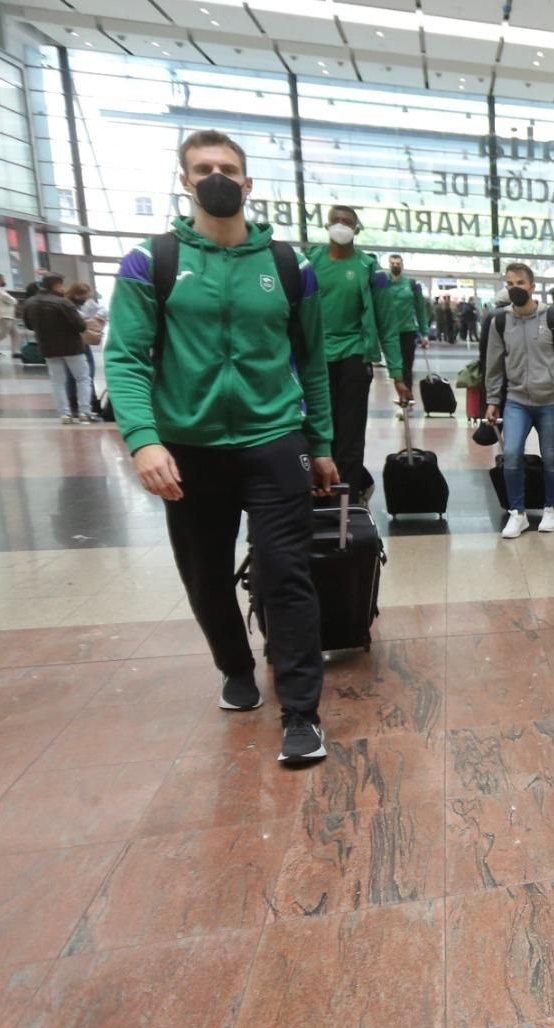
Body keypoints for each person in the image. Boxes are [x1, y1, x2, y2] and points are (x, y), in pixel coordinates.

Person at [105, 128, 336, 765]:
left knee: (284, 573)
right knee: (206, 575)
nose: (217, 177)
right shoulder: (153, 262)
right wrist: (143, 439)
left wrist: (319, 441)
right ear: (185, 181)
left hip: (273, 440)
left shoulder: (291, 266)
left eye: (228, 168)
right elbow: (124, 358)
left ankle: (302, 712)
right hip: (189, 446)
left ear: (247, 182)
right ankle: (235, 666)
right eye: (203, 167)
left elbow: (312, 362)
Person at [306, 205, 407, 501]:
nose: (341, 225)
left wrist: (397, 374)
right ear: (327, 225)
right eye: (335, 220)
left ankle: (346, 501)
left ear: (357, 229)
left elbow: (387, 325)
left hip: (354, 356)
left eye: (347, 222)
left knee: (350, 436)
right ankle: (320, 492)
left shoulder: (369, 269)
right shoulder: (310, 262)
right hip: (316, 359)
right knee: (320, 431)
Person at [483, 262, 554, 538]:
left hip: (551, 400)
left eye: (520, 283)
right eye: (510, 284)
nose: (515, 289)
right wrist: (492, 400)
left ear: (532, 286)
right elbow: (493, 364)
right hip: (516, 400)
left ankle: (551, 509)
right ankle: (518, 513)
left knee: (551, 456)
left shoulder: (551, 319)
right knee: (511, 454)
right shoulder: (500, 321)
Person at [23, 273, 95, 423]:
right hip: (72, 346)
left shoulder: (30, 302)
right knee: (82, 378)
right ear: (56, 285)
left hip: (47, 346)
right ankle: (84, 412)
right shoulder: (63, 303)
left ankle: (64, 414)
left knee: (57, 381)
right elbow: (80, 326)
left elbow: (29, 325)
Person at [384, 254, 429, 390]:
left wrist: (424, 333)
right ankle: (399, 393)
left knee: (407, 367)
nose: (395, 265)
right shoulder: (383, 284)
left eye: (398, 263)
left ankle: (407, 398)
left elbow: (420, 309)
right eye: (393, 263)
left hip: (408, 331)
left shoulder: (411, 284)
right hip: (389, 332)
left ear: (402, 265)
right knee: (394, 366)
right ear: (389, 265)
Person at [65, 282, 106, 418]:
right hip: (72, 343)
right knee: (75, 376)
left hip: (84, 342)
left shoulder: (87, 303)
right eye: (82, 295)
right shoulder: (67, 305)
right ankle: (77, 406)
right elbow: (77, 321)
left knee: (88, 374)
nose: (85, 298)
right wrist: (87, 321)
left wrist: (95, 318)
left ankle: (90, 403)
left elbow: (103, 310)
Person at [0, 273, 19, 359]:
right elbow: (8, 298)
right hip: (2, 315)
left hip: (8, 315)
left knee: (15, 333)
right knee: (3, 333)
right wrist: (15, 301)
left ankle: (14, 352)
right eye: (3, 279)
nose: (4, 280)